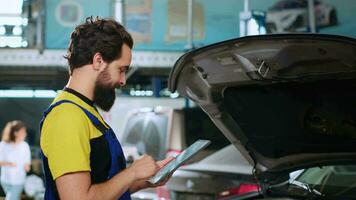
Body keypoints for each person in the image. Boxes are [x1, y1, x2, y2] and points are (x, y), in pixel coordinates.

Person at [40, 17, 173, 200]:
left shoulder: (86, 112)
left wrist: (146, 180)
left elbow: (102, 186)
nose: (123, 80)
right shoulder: (66, 117)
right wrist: (132, 172)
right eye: (121, 69)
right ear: (98, 61)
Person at [0, 120, 31, 200]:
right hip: (5, 180)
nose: (25, 134)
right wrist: (10, 164)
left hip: (18, 181)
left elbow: (27, 165)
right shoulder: (3, 145)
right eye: (23, 132)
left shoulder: (25, 146)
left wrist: (27, 166)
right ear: (15, 133)